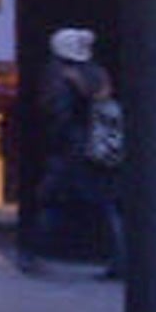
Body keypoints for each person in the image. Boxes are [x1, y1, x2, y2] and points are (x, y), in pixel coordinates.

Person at [20, 25, 126, 277]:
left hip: (71, 150)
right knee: (107, 206)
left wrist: (54, 141)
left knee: (50, 201)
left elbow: (57, 115)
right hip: (99, 147)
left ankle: (31, 252)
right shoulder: (97, 73)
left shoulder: (59, 76)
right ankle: (120, 258)